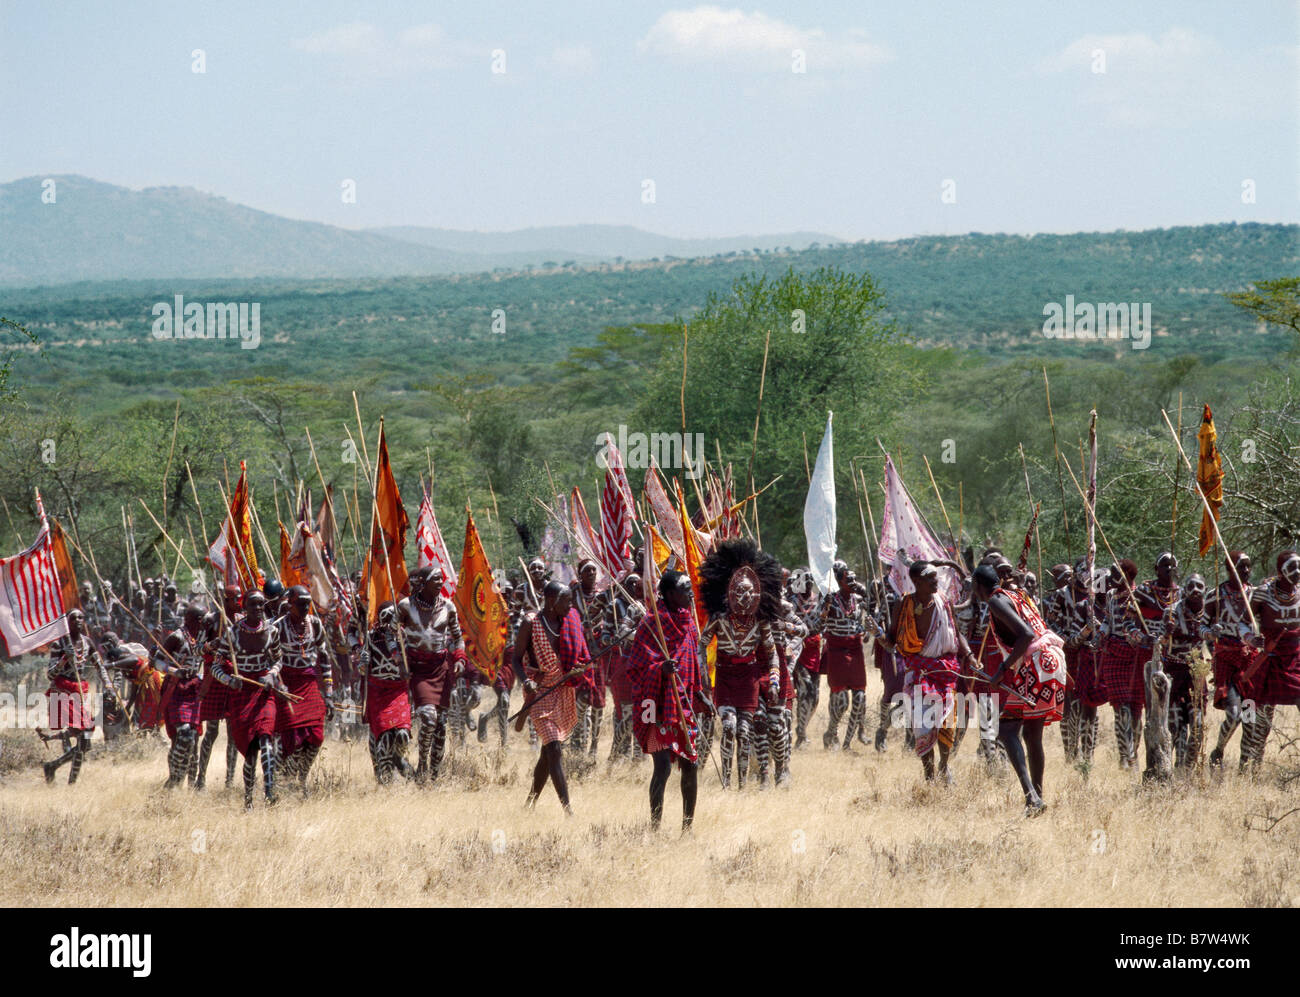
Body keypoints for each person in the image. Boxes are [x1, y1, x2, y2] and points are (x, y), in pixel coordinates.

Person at [973, 564, 1067, 814]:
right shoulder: (1016, 594)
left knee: (1006, 730)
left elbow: (1025, 635)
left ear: (978, 587)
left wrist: (1002, 669)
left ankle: (1032, 797)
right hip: (1051, 661)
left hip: (1035, 663)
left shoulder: (995, 601)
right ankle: (1037, 798)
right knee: (1031, 735)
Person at [873, 561, 976, 786]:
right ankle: (929, 776)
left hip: (946, 672)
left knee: (947, 723)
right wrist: (878, 634)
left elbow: (957, 634)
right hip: (919, 674)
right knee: (923, 727)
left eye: (935, 576)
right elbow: (891, 642)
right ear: (916, 582)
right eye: (930, 578)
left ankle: (944, 766)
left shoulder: (944, 603)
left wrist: (969, 656)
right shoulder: (905, 605)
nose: (936, 581)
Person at [624, 571, 702, 830]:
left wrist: (700, 692)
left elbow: (692, 660)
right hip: (656, 706)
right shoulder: (650, 623)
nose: (690, 593)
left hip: (683, 704)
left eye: (691, 587)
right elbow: (636, 667)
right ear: (669, 594)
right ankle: (654, 828)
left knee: (691, 764)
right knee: (663, 768)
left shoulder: (688, 622)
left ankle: (687, 828)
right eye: (684, 588)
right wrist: (660, 668)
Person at [513, 580, 589, 814]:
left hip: (562, 689)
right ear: (551, 601)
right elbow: (516, 659)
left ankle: (529, 804)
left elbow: (579, 655)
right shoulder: (531, 623)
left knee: (548, 752)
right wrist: (525, 681)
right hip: (539, 689)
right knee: (554, 749)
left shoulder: (570, 621)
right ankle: (568, 811)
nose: (571, 604)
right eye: (566, 600)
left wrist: (577, 669)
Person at [211, 591, 284, 810]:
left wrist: (271, 674)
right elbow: (215, 666)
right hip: (241, 693)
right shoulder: (232, 633)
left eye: (262, 604)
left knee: (266, 739)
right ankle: (248, 798)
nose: (258, 608)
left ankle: (270, 790)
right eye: (253, 605)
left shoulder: (272, 631)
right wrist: (228, 679)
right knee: (250, 751)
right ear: (245, 607)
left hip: (263, 692)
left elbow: (278, 660)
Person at [400, 565, 466, 784]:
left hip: (441, 669)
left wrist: (460, 659)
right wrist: (396, 657)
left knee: (441, 725)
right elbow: (391, 634)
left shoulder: (448, 607)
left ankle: (435, 775)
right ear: (423, 582)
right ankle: (423, 763)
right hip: (418, 669)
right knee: (428, 719)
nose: (440, 582)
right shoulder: (405, 606)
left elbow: (457, 638)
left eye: (441, 579)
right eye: (436, 579)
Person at [1239, 551, 1300, 770]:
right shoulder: (1262, 593)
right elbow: (1242, 622)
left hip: (1294, 657)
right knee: (1258, 712)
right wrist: (1250, 638)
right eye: (1291, 568)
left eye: (1299, 567)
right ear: (1280, 571)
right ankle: (1249, 759)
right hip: (1267, 656)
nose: (1297, 573)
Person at [43, 609, 117, 785]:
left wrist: (108, 685)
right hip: (62, 692)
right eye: (73, 617)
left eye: (80, 617)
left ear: (84, 621)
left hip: (78, 692)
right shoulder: (59, 644)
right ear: (67, 622)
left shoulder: (87, 642)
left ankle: (56, 769)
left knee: (85, 743)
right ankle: (66, 779)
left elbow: (99, 667)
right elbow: (50, 675)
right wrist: (63, 660)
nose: (77, 620)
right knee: (84, 737)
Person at [276, 585, 333, 794]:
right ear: (290, 604)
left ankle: (302, 777)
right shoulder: (278, 628)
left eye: (308, 603)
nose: (305, 607)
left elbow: (324, 657)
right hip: (287, 686)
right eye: (300, 604)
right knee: (293, 739)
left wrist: (328, 691)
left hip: (309, 685)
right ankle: (285, 778)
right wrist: (278, 684)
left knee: (316, 736)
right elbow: (270, 659)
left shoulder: (316, 625)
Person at [811, 561, 870, 750]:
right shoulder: (829, 600)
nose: (853, 582)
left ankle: (847, 743)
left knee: (860, 698)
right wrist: (825, 610)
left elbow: (874, 612)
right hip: (837, 650)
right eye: (848, 579)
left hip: (856, 650)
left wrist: (868, 628)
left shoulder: (858, 600)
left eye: (854, 578)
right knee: (841, 700)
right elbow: (816, 626)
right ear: (838, 581)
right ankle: (832, 732)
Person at [1205, 551, 1255, 769]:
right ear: (1229, 569)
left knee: (1251, 720)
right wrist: (1211, 634)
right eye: (1241, 567)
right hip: (1225, 659)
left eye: (1248, 566)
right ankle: (1218, 750)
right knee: (1234, 714)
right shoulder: (1215, 595)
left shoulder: (1254, 594)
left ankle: (1245, 766)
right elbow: (1201, 627)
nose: (1246, 571)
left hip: (1250, 663)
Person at [1159, 574, 1210, 769]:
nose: (1196, 589)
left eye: (1200, 586)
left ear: (1205, 589)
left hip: (1196, 673)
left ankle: (1188, 768)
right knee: (1177, 726)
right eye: (1191, 586)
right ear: (1185, 589)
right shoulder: (1171, 612)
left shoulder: (1209, 612)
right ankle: (1178, 769)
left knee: (1197, 726)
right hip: (1174, 672)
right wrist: (1167, 633)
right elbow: (1161, 642)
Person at [359, 602, 413, 784]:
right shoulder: (371, 637)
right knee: (384, 737)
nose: (389, 622)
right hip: (378, 691)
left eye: (393, 618)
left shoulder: (405, 637)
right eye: (386, 618)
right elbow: (362, 669)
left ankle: (398, 758)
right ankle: (386, 778)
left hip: (398, 690)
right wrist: (363, 662)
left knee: (403, 734)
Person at [194, 585, 242, 791]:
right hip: (214, 677)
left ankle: (230, 781)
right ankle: (201, 778)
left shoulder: (241, 620)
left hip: (233, 678)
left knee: (233, 733)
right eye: (235, 598)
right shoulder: (210, 620)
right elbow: (197, 649)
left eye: (240, 598)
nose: (238, 602)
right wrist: (212, 645)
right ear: (225, 600)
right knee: (211, 732)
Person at [158, 604, 207, 788]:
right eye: (202, 619)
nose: (205, 623)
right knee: (184, 735)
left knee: (193, 739)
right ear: (195, 620)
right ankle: (174, 779)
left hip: (194, 689)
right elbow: (155, 659)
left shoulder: (203, 637)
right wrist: (174, 671)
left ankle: (191, 785)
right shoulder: (176, 638)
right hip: (176, 688)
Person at [604, 573, 647, 763]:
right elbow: (607, 635)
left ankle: (639, 758)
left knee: (644, 714)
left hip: (647, 667)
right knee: (627, 712)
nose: (634, 588)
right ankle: (618, 754)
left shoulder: (650, 608)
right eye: (630, 584)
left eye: (637, 585)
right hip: (625, 662)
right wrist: (614, 640)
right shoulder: (617, 606)